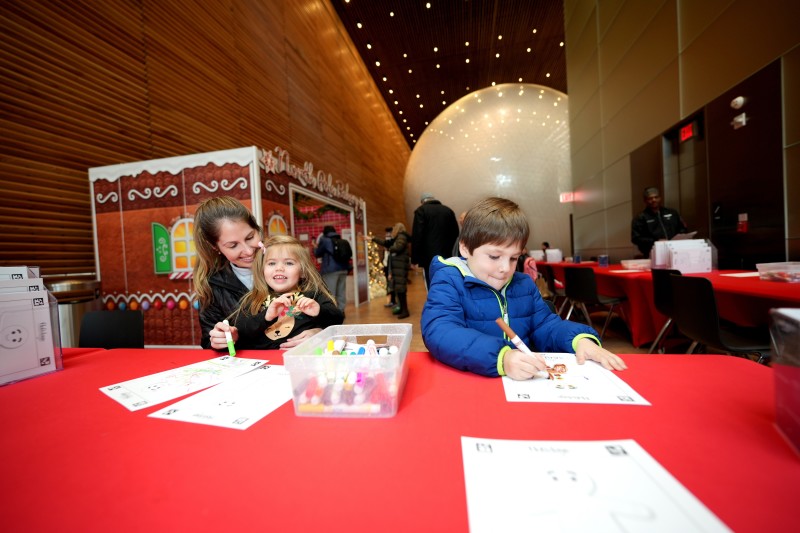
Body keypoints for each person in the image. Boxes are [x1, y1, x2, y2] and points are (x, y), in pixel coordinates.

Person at [421, 197, 627, 380]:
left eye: (513, 258)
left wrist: (579, 340)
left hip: (522, 384)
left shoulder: (523, 284)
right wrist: (502, 357)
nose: (505, 269)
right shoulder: (449, 280)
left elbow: (545, 325)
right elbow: (440, 330)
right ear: (465, 248)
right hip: (472, 383)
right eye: (494, 256)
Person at [194, 197, 327, 350]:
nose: (249, 251)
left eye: (250, 237)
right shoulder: (212, 287)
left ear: (258, 229)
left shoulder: (294, 265)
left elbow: (331, 315)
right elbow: (207, 342)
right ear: (215, 247)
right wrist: (221, 341)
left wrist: (320, 333)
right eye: (233, 245)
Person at [231, 235, 344, 348]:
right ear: (262, 270)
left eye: (289, 263)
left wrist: (320, 311)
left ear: (303, 272)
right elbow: (240, 332)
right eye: (271, 263)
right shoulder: (255, 299)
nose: (279, 268)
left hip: (301, 360)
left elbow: (337, 319)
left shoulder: (313, 295)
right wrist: (266, 316)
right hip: (266, 362)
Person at [411, 192, 460, 289]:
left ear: (422, 202)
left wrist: (414, 259)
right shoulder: (448, 211)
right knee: (447, 282)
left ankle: (436, 303)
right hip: (448, 256)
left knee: (432, 284)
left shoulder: (421, 211)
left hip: (429, 258)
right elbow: (456, 233)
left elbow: (417, 235)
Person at [369, 222, 412, 319]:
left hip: (400, 266)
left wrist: (390, 249)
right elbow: (387, 243)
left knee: (401, 289)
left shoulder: (401, 237)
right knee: (399, 289)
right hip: (398, 266)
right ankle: (402, 309)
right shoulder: (398, 237)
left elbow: (397, 247)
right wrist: (373, 239)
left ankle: (405, 311)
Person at [631, 186, 688, 257]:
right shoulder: (640, 217)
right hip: (652, 254)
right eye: (650, 198)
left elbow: (683, 228)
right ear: (645, 201)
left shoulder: (672, 212)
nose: (654, 200)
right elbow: (636, 238)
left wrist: (680, 236)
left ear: (660, 198)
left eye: (656, 197)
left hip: (675, 251)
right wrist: (656, 241)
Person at [314, 225, 349, 314]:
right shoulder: (342, 240)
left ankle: (333, 313)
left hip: (331, 271)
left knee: (330, 293)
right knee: (341, 291)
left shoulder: (325, 240)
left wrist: (314, 246)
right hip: (343, 269)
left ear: (325, 233)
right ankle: (341, 311)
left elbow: (317, 253)